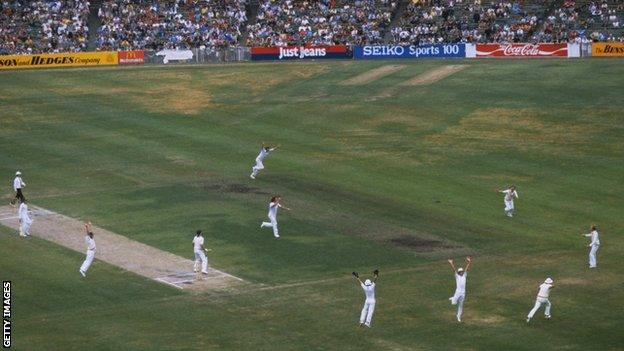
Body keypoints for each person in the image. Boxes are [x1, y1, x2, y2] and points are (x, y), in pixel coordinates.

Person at [447, 257, 472, 322]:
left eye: (462, 271)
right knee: (453, 303)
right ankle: (453, 298)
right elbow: (454, 270)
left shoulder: (464, 275)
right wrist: (451, 263)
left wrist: (469, 262)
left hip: (463, 293)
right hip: (458, 292)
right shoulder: (457, 276)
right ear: (458, 272)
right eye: (460, 272)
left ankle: (458, 316)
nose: (461, 272)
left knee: (461, 305)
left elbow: (466, 269)